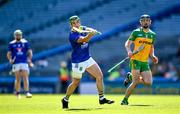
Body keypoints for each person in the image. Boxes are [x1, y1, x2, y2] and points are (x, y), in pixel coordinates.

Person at [61, 15, 114, 109]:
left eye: (77, 22)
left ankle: (101, 98)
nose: (76, 24)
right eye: (73, 23)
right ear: (71, 25)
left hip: (87, 58)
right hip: (78, 61)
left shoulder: (82, 28)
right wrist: (91, 34)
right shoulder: (72, 35)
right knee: (76, 82)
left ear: (79, 22)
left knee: (99, 76)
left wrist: (92, 30)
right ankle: (65, 99)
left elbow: (87, 28)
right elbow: (84, 40)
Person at [121, 14, 158, 105]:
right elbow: (127, 43)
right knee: (136, 81)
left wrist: (152, 55)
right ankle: (124, 100)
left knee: (149, 82)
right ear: (140, 22)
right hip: (135, 60)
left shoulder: (153, 34)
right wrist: (129, 51)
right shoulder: (136, 32)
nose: (145, 21)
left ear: (150, 22)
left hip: (145, 61)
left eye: (147, 20)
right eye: (143, 20)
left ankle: (130, 77)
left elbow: (151, 47)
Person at [7, 29, 33, 99]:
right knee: (18, 78)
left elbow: (30, 51)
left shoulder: (25, 42)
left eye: (19, 34)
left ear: (21, 35)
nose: (18, 36)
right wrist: (10, 59)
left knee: (25, 77)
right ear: (14, 35)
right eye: (17, 34)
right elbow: (9, 53)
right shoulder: (11, 44)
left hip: (24, 62)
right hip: (16, 63)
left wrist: (29, 60)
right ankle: (17, 92)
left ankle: (27, 92)